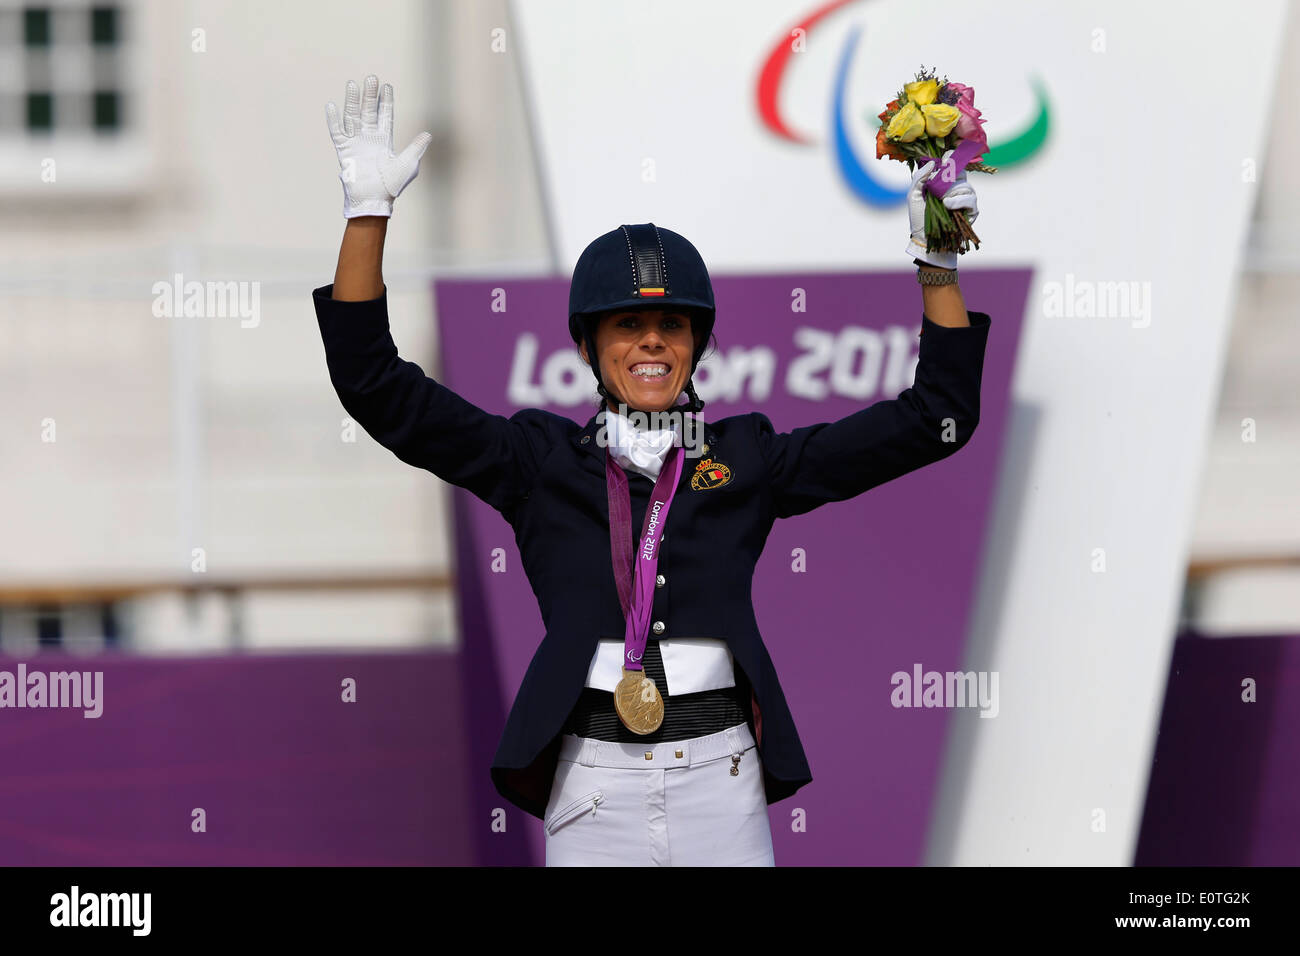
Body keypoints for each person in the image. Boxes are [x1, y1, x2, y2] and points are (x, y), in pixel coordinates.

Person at [314, 75, 991, 866]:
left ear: (696, 345)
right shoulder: (536, 463)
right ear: (588, 349)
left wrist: (938, 259)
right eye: (627, 324)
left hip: (723, 777)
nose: (650, 343)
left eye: (671, 325)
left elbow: (935, 417)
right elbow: (374, 386)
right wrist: (368, 215)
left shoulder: (746, 455)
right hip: (592, 784)